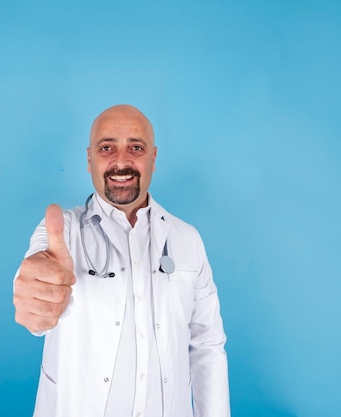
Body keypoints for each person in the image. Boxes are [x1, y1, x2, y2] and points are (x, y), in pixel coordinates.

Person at [13, 104, 230, 417]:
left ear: (153, 158)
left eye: (136, 147)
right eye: (106, 148)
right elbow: (38, 273)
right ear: (89, 160)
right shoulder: (64, 231)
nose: (121, 161)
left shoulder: (187, 239)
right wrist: (37, 299)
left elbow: (208, 344)